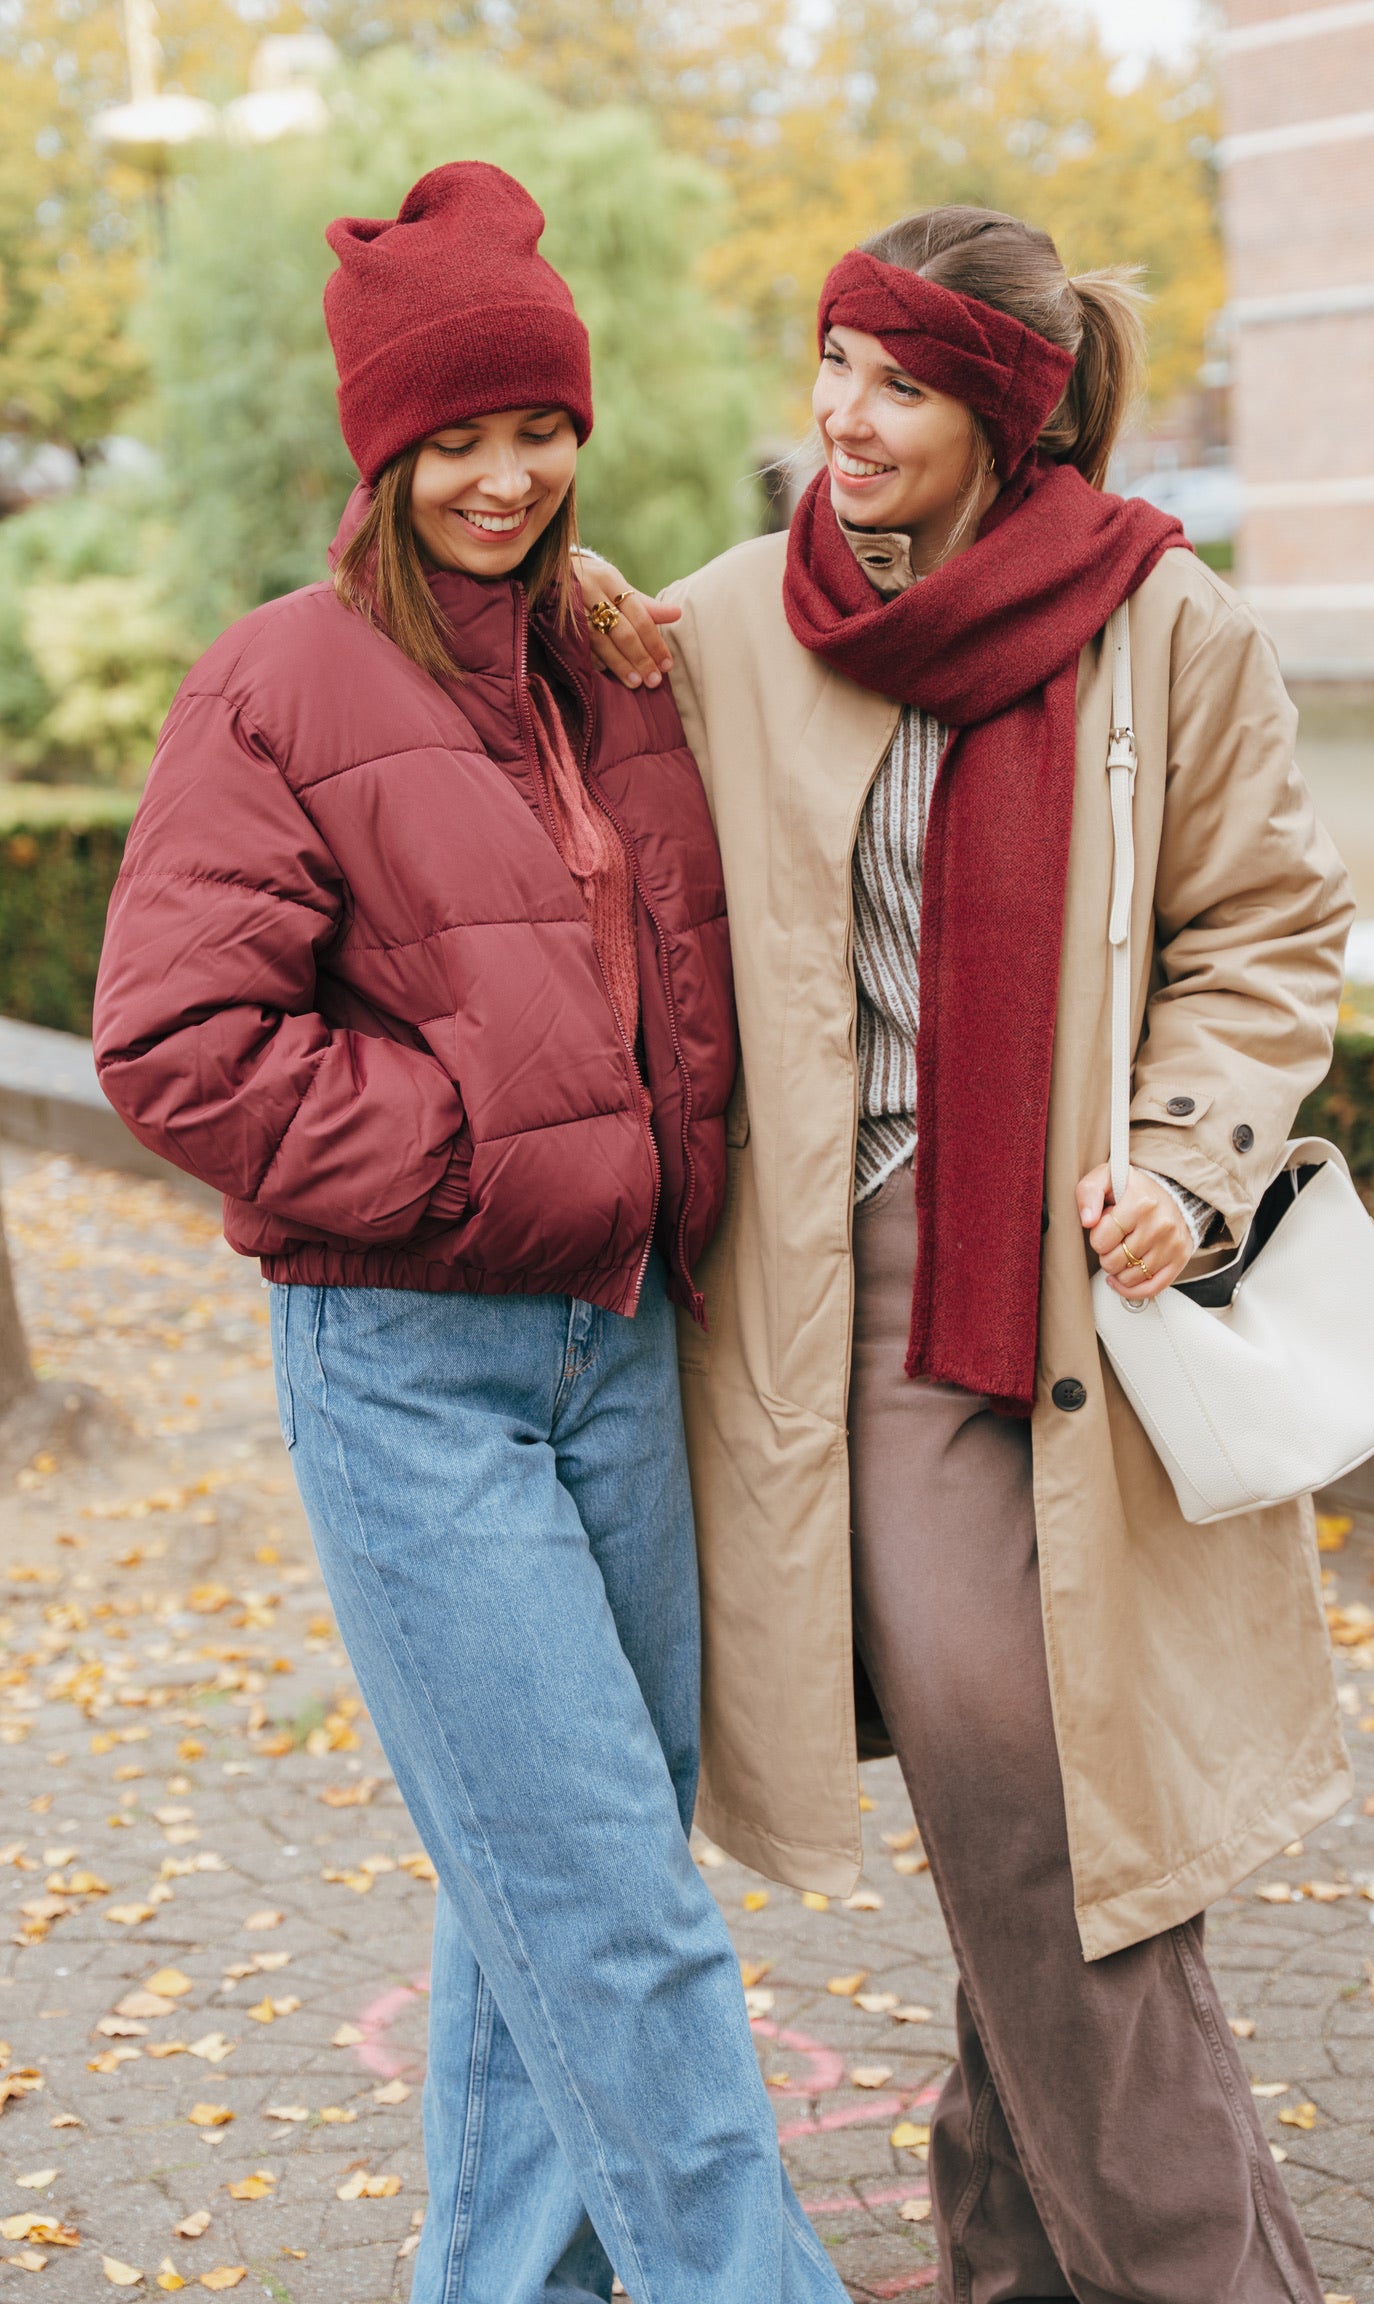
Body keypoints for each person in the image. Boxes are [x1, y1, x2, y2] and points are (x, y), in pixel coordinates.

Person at [575, 205, 1354, 2304]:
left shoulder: (1164, 629)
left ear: (1005, 419)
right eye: (830, 364)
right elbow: (566, 765)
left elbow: (1268, 934)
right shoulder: (738, 619)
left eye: (899, 385)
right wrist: (536, 594)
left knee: (1052, 1826)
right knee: (1040, 1812)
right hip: (875, 1310)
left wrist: (1186, 1160)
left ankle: (1016, 2254)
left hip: (1096, 1299)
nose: (840, 416)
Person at [93, 161, 848, 2304]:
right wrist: (464, 1148)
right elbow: (172, 1041)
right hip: (411, 1372)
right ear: (380, 452)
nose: (503, 473)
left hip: (617, 1362)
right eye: (454, 436)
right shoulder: (281, 684)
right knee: (611, 1903)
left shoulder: (621, 669)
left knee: (547, 1899)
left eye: (538, 428)